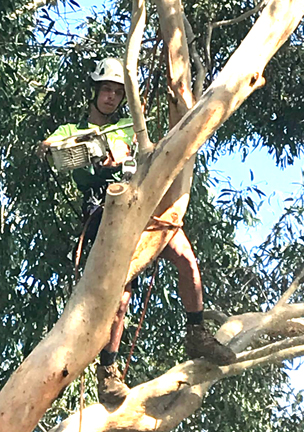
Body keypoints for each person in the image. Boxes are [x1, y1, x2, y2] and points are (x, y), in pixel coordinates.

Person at [43, 58, 236, 407]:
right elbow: (48, 150)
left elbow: (153, 154)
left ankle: (196, 332)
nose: (111, 98)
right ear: (95, 91)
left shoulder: (129, 130)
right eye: (107, 90)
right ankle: (109, 371)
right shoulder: (70, 129)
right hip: (104, 214)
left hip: (142, 206)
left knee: (186, 259)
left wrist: (125, 156)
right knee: (121, 297)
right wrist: (86, 149)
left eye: (118, 93)